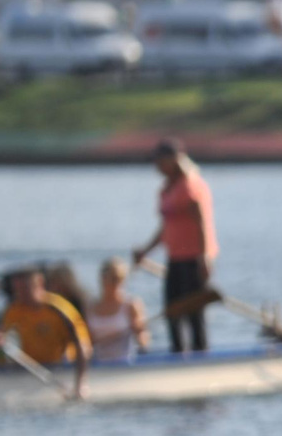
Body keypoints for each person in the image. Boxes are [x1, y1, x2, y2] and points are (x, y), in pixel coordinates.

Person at [132, 140, 217, 353]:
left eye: (160, 161)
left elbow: (201, 223)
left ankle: (200, 354)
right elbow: (166, 228)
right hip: (175, 258)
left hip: (193, 258)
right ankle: (178, 353)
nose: (157, 166)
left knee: (193, 312)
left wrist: (204, 257)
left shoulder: (190, 185)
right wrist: (145, 250)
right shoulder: (166, 189)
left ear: (173, 160)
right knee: (172, 311)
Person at [0, 265, 92, 398]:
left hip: (62, 367)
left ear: (39, 284)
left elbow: (83, 346)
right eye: (17, 290)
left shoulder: (58, 309)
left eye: (25, 289)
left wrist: (80, 384)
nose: (20, 295)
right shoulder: (15, 309)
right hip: (33, 369)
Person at [84, 257, 150, 362]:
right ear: (102, 279)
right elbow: (86, 340)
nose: (118, 283)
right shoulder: (91, 307)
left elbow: (142, 335)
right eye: (113, 279)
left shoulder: (131, 305)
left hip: (125, 363)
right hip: (98, 364)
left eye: (121, 279)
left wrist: (141, 337)